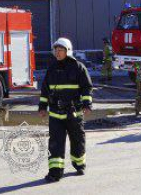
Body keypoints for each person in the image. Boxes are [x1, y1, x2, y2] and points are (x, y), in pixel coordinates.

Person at [38, 38, 93, 183]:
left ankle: (79, 164)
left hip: (73, 113)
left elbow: (86, 87)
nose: (57, 53)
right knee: (55, 144)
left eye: (60, 50)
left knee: (77, 141)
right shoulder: (52, 69)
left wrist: (87, 104)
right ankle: (55, 173)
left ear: (68, 51)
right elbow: (45, 90)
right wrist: (42, 107)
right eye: (56, 50)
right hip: (55, 114)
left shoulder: (78, 67)